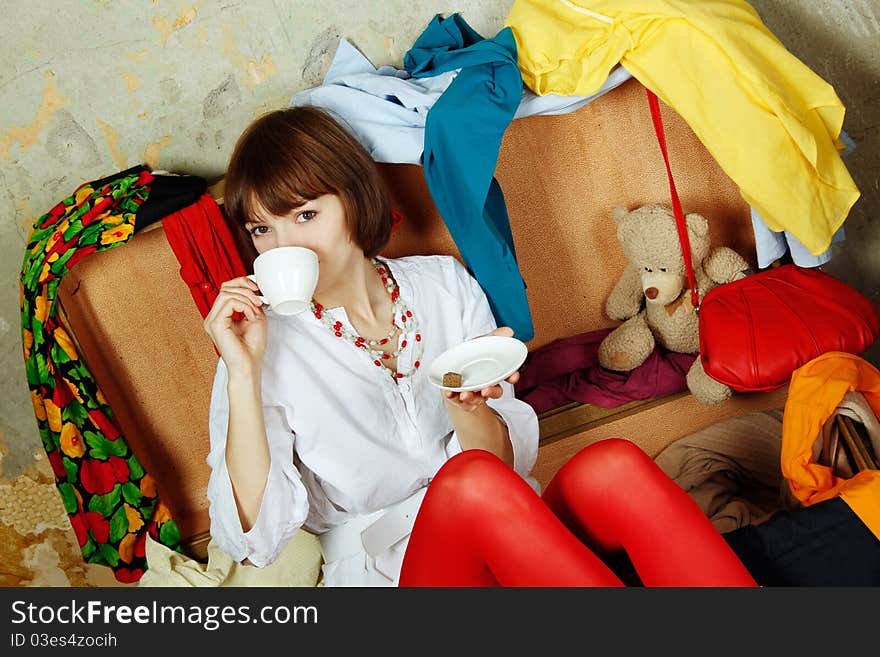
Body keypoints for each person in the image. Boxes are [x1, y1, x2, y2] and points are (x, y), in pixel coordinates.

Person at [203, 105, 755, 587]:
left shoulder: (443, 285)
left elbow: (498, 466)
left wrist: (465, 408)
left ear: (352, 198)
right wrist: (244, 375)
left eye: (305, 215)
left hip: (508, 530)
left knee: (610, 467)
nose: (285, 247)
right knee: (469, 485)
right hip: (395, 579)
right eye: (261, 231)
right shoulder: (256, 344)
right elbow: (256, 538)